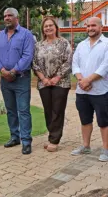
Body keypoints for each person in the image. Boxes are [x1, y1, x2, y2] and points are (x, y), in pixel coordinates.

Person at [0, 8, 35, 155]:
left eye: (10, 15)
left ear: (17, 18)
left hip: (21, 78)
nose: (7, 18)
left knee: (23, 110)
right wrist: (2, 71)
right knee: (10, 110)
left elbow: (27, 56)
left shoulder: (26, 35)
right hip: (5, 79)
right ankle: (14, 136)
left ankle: (26, 140)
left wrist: (14, 71)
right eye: (5, 16)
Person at [71, 17, 108, 162]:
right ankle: (86, 146)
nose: (90, 28)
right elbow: (75, 64)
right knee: (85, 120)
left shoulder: (106, 44)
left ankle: (106, 149)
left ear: (101, 28)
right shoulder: (81, 45)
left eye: (93, 25)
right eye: (88, 26)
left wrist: (88, 80)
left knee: (104, 121)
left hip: (100, 91)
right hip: (82, 91)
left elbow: (104, 67)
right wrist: (81, 80)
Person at [32, 18, 72, 152]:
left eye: (50, 25)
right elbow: (34, 63)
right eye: (45, 26)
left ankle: (54, 140)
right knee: (48, 111)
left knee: (57, 110)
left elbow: (68, 62)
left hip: (61, 82)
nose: (48, 28)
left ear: (56, 27)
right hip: (44, 83)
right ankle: (51, 136)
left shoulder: (63, 43)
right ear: (43, 29)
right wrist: (43, 78)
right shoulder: (38, 45)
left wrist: (57, 77)